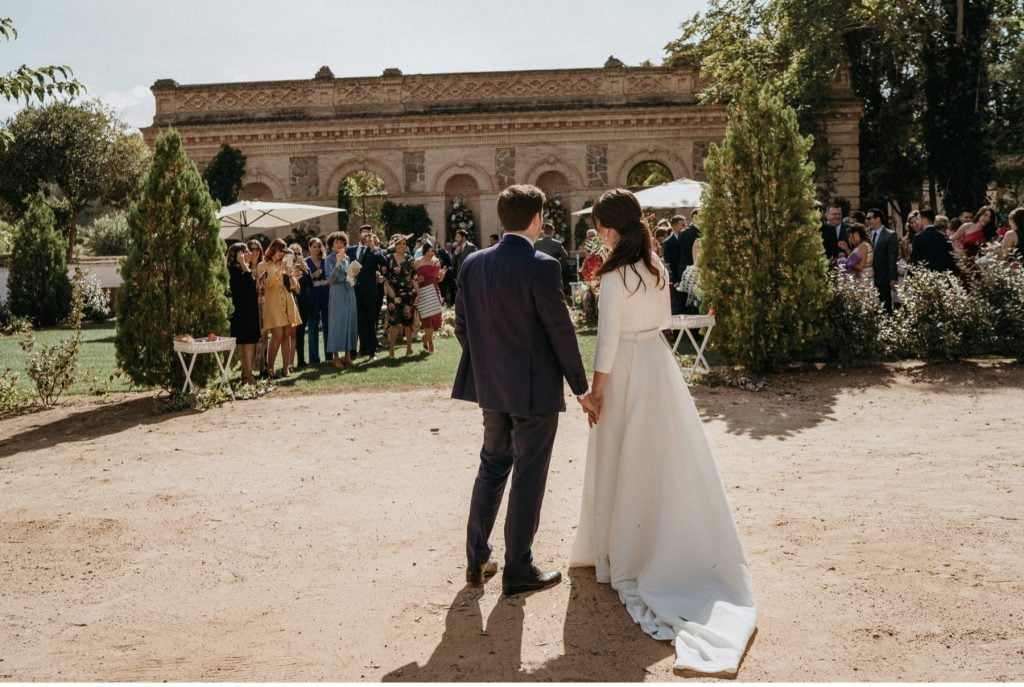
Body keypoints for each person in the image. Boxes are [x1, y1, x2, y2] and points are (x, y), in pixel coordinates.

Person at [570, 188, 756, 675]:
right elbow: (663, 322)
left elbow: (607, 341)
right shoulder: (656, 267)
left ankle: (623, 549)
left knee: (623, 454)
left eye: (598, 226)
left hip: (628, 368)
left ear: (609, 229)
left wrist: (597, 391)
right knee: (663, 455)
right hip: (659, 363)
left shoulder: (613, 274)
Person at [453, 183, 589, 596]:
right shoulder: (542, 265)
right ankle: (517, 568)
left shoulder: (472, 264)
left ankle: (476, 561)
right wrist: (581, 387)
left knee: (492, 465)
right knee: (528, 473)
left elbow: (462, 327)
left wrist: (490, 365)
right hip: (533, 390)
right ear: (537, 219)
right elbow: (561, 332)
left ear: (502, 218)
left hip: (491, 386)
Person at [255, 238, 303, 378]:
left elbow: (293, 286)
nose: (279, 254)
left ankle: (286, 367)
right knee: (277, 335)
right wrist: (278, 272)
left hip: (288, 300)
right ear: (272, 250)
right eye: (277, 251)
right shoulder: (262, 265)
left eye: (282, 251)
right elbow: (264, 284)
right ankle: (270, 368)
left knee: (287, 334)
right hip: (273, 302)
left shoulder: (286, 264)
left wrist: (291, 276)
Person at [347, 226, 387, 360]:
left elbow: (384, 262)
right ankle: (357, 350)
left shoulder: (374, 251)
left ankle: (372, 350)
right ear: (359, 235)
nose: (366, 236)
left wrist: (374, 248)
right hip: (353, 290)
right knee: (357, 321)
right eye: (364, 234)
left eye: (369, 234)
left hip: (370, 290)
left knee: (370, 321)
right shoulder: (351, 250)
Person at [226, 242, 260, 385]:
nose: (249, 254)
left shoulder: (245, 269)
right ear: (238, 255)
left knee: (252, 341)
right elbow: (248, 283)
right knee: (246, 342)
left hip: (251, 310)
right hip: (241, 312)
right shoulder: (233, 271)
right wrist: (244, 264)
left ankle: (247, 373)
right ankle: (247, 375)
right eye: (245, 251)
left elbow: (253, 285)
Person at [324, 231, 357, 369]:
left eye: (342, 242)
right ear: (332, 245)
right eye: (336, 242)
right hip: (337, 292)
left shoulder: (348, 258)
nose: (339, 244)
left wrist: (353, 274)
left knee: (350, 322)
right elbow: (330, 280)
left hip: (349, 291)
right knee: (337, 323)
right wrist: (338, 264)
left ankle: (348, 356)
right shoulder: (329, 259)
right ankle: (335, 357)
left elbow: (350, 278)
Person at [384, 233, 418, 357]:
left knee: (407, 323)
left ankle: (409, 348)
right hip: (393, 295)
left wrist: (418, 293)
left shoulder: (410, 259)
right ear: (395, 245)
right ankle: (391, 350)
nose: (402, 246)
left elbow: (414, 277)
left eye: (404, 244)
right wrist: (389, 290)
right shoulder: (388, 258)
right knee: (393, 323)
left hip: (407, 294)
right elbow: (385, 277)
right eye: (399, 244)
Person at [413, 242, 446, 353]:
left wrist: (442, 276)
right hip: (422, 291)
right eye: (428, 251)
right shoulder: (417, 262)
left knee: (436, 317)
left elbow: (438, 279)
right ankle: (430, 342)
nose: (430, 253)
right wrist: (418, 279)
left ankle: (425, 337)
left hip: (435, 290)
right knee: (427, 318)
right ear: (424, 251)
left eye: (432, 251)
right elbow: (412, 278)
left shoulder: (436, 261)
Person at [865, 208, 898, 312]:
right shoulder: (867, 235)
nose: (867, 221)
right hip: (869, 277)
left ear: (878, 219)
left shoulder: (890, 234)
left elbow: (892, 258)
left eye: (869, 218)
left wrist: (893, 278)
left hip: (883, 278)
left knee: (885, 306)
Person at [305, 237, 330, 365]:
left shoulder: (326, 261)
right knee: (313, 326)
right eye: (314, 246)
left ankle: (329, 356)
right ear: (309, 248)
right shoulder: (305, 262)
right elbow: (303, 281)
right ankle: (314, 359)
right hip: (312, 296)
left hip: (326, 294)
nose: (316, 249)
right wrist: (312, 276)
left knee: (327, 326)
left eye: (318, 246)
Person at [289, 243, 313, 369]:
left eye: (299, 253)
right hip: (291, 301)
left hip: (304, 302)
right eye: (293, 253)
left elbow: (311, 284)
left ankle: (301, 360)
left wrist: (306, 270)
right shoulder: (287, 267)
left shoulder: (304, 266)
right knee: (292, 333)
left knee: (301, 332)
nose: (296, 255)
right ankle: (289, 362)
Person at [911, 208, 956, 272]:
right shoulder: (944, 236)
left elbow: (915, 259)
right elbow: (950, 258)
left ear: (924, 219)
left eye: (918, 219)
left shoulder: (918, 237)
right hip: (942, 274)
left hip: (925, 275)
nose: (917, 222)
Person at [675, 214, 701, 313]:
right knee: (695, 303)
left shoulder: (682, 233)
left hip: (684, 271)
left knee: (683, 301)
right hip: (696, 271)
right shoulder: (699, 235)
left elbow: (678, 254)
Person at [661, 215, 685, 314]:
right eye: (682, 224)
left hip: (685, 277)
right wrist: (674, 281)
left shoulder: (686, 238)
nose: (685, 227)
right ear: (674, 226)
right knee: (677, 306)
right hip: (676, 281)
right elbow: (668, 264)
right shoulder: (667, 243)